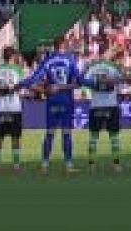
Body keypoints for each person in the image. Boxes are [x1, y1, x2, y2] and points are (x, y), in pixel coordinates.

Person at [17, 43, 83, 174]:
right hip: (66, 101)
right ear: (64, 45)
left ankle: (44, 165)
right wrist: (62, 87)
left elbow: (33, 81)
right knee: (66, 133)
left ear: (54, 46)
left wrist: (44, 89)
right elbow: (78, 83)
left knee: (50, 133)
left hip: (52, 101)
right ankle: (68, 165)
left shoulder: (47, 61)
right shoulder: (70, 60)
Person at [82, 55, 125, 172]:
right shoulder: (113, 67)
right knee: (114, 137)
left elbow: (82, 81)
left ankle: (91, 165)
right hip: (111, 105)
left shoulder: (92, 67)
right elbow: (122, 80)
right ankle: (116, 165)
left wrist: (95, 83)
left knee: (93, 137)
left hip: (96, 106)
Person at [0, 50, 26, 170]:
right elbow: (21, 88)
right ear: (12, 57)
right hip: (14, 107)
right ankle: (16, 164)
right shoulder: (18, 70)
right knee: (15, 137)